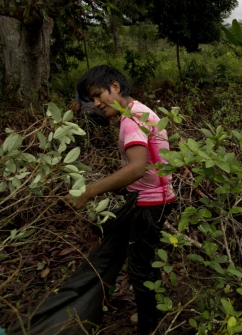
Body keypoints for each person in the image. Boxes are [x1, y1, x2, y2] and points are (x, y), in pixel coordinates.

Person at [65, 65, 176, 335]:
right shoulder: (139, 110)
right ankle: (154, 310)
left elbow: (137, 167)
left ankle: (149, 325)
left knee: (140, 267)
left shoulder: (132, 119)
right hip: (155, 198)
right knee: (144, 260)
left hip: (150, 203)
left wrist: (91, 190)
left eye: (99, 95)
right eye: (91, 99)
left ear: (115, 87)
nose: (97, 103)